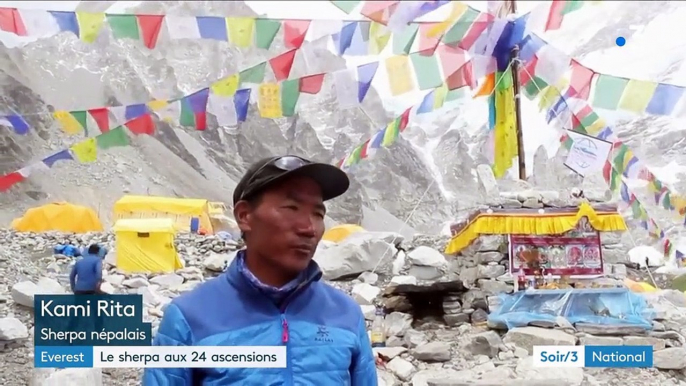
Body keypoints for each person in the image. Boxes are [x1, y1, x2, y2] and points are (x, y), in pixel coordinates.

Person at [144, 155, 377, 385]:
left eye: (318, 214)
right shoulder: (188, 317)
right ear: (244, 216)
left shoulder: (346, 314)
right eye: (291, 207)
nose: (309, 228)